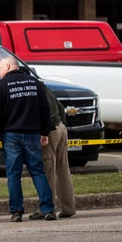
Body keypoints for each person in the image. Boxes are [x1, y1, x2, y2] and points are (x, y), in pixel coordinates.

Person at [0, 56, 56, 222]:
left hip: (11, 135)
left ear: (8, 66)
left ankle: (16, 212)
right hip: (33, 134)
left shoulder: (1, 86)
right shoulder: (35, 83)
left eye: (0, 68)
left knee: (13, 174)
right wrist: (44, 132)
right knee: (38, 171)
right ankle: (48, 209)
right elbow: (44, 109)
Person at [41, 80, 76, 218]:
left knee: (48, 170)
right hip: (60, 127)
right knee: (63, 170)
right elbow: (61, 108)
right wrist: (63, 126)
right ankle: (69, 208)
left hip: (50, 130)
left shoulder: (34, 89)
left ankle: (48, 209)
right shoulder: (45, 88)